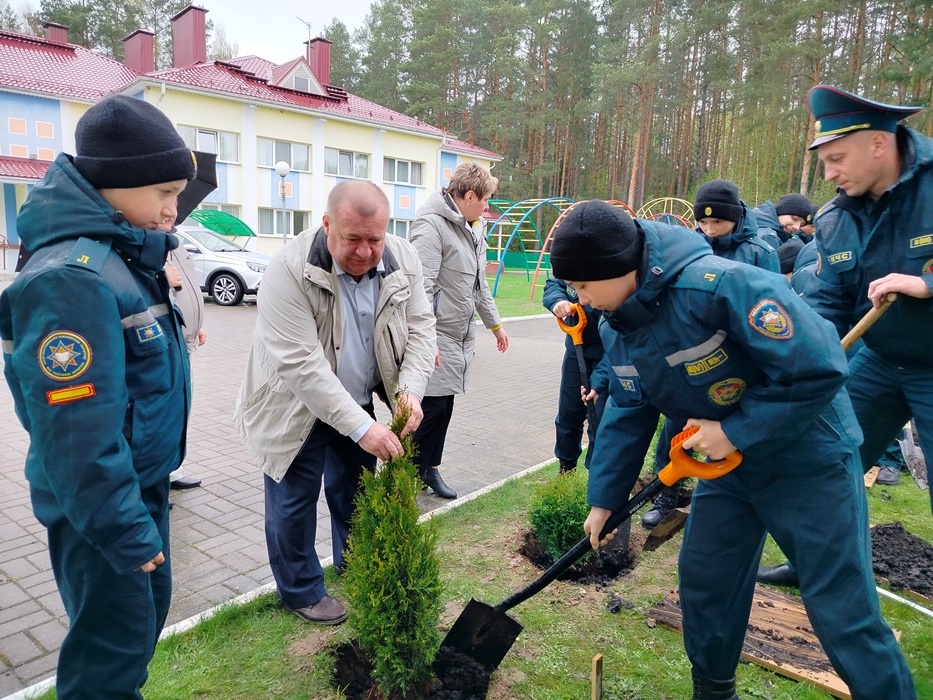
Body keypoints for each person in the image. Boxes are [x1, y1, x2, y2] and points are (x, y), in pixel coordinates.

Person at [549, 200, 915, 700]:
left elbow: (822, 367)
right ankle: (714, 692)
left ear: (617, 268)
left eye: (586, 287)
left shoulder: (724, 287)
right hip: (729, 471)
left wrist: (735, 430)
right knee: (707, 582)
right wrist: (604, 499)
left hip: (808, 460)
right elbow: (628, 411)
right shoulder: (619, 326)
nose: (583, 301)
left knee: (840, 605)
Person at [0, 94, 195, 699]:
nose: (174, 208)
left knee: (135, 633)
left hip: (137, 488)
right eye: (163, 191)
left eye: (178, 191)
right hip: (103, 506)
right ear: (114, 184)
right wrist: (122, 529)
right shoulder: (72, 278)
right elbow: (76, 437)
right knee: (106, 662)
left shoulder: (123, 258)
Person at [234, 180, 436, 625]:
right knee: (294, 502)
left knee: (355, 491)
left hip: (357, 396)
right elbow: (302, 366)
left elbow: (422, 327)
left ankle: (356, 561)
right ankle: (302, 591)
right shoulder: (288, 269)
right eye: (353, 239)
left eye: (375, 240)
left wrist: (411, 390)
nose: (366, 252)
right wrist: (364, 429)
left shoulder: (404, 258)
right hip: (294, 404)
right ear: (327, 225)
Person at [804, 84, 933, 516]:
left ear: (879, 142)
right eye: (824, 164)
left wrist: (927, 283)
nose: (829, 176)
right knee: (831, 461)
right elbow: (826, 306)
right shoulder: (835, 219)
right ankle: (811, 563)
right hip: (878, 363)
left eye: (837, 160)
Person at [643, 180, 782, 529]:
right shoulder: (689, 245)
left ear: (735, 218)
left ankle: (734, 497)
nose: (709, 230)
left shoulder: (759, 252)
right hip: (692, 354)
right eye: (703, 223)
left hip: (741, 358)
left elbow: (774, 303)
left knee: (736, 428)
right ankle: (666, 492)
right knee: (676, 428)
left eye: (717, 223)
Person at [408, 163, 508, 499]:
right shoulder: (431, 226)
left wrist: (495, 325)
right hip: (437, 335)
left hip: (460, 336)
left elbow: (479, 285)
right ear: (467, 195)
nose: (487, 207)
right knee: (429, 409)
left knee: (444, 406)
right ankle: (404, 475)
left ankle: (428, 469)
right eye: (485, 200)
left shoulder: (472, 227)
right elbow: (419, 288)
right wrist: (425, 340)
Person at [543, 277, 605, 472]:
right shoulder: (573, 259)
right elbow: (554, 284)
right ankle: (566, 466)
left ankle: (595, 473)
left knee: (599, 417)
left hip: (609, 351)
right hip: (576, 349)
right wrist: (558, 302)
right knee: (568, 413)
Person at [164, 232, 206, 493]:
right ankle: (154, 481)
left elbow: (187, 287)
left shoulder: (174, 242)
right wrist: (159, 279)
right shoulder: (137, 240)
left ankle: (172, 470)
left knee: (180, 410)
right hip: (163, 344)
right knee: (163, 413)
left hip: (185, 340)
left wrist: (197, 323)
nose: (171, 210)